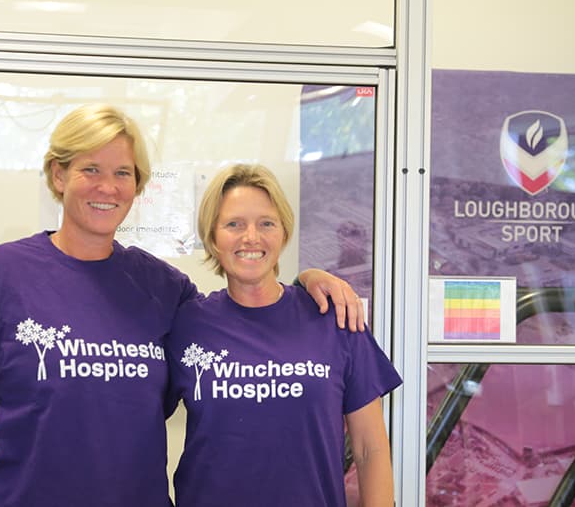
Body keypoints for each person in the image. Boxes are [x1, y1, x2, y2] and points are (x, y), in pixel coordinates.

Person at [0, 103, 365, 507]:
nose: (107, 187)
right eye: (90, 169)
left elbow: (244, 318)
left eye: (123, 174)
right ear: (58, 175)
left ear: (137, 186)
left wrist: (308, 281)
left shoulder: (163, 288)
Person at [166, 164, 402, 506]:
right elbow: (135, 415)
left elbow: (370, 448)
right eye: (234, 224)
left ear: (283, 233)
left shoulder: (333, 316)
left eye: (266, 223)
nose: (251, 237)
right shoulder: (187, 325)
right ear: (213, 237)